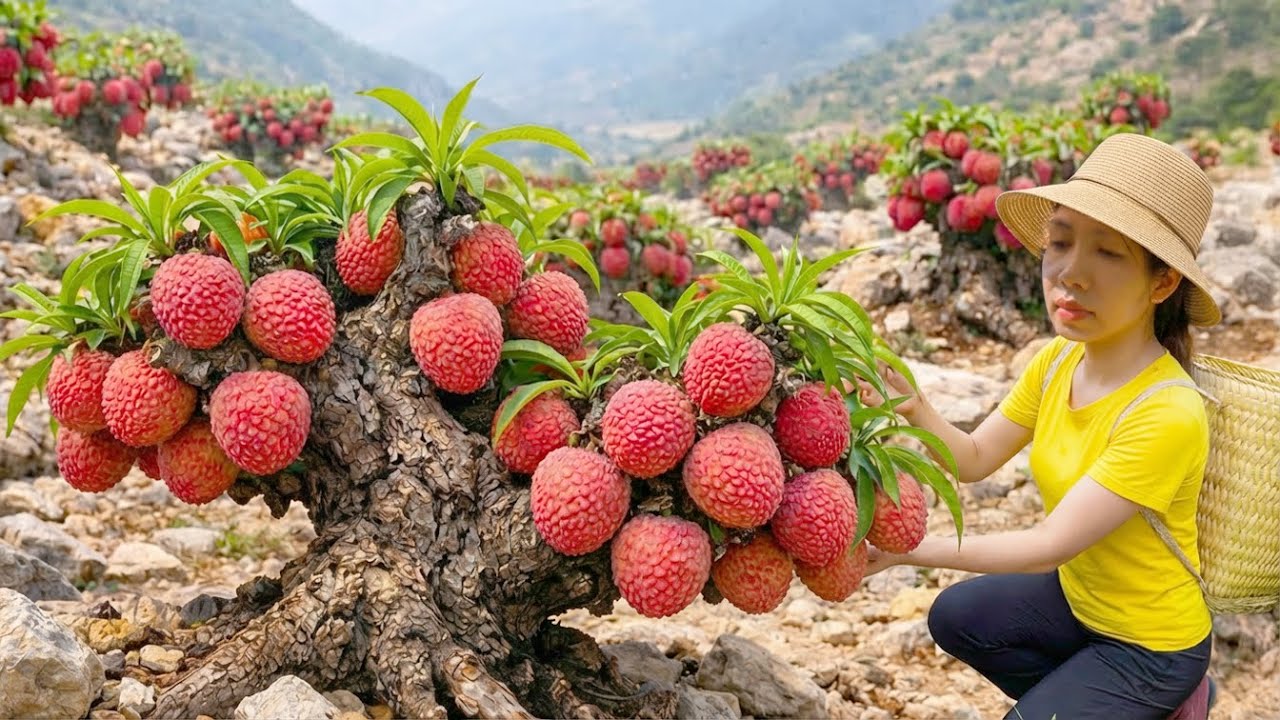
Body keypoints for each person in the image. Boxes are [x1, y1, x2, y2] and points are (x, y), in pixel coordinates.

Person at [855, 132, 1221, 720]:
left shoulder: (1167, 411)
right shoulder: (1057, 362)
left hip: (1151, 645)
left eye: (1108, 253)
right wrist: (918, 409)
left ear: (1162, 282)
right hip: (1080, 602)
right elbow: (974, 458)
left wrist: (908, 551)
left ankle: (1167, 697)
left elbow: (1047, 546)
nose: (1070, 274)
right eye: (1060, 243)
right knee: (957, 619)